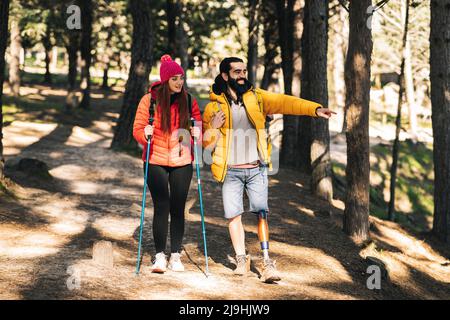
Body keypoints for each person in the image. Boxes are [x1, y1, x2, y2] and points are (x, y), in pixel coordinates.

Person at [202, 57, 335, 283]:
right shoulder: (213, 107)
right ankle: (241, 259)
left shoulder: (258, 98)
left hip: (256, 169)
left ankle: (266, 261)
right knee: (234, 216)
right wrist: (213, 128)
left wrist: (315, 109)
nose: (243, 75)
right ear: (225, 76)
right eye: (237, 72)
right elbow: (207, 145)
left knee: (262, 214)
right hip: (231, 171)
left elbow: (287, 102)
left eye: (244, 70)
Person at [133, 55, 202, 273]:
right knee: (162, 207)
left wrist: (197, 133)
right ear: (165, 80)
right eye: (174, 78)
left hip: (182, 160)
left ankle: (175, 255)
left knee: (178, 208)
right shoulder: (149, 101)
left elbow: (198, 128)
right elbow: (137, 129)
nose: (179, 82)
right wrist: (145, 134)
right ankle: (160, 256)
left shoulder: (189, 101)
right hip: (155, 160)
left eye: (181, 77)